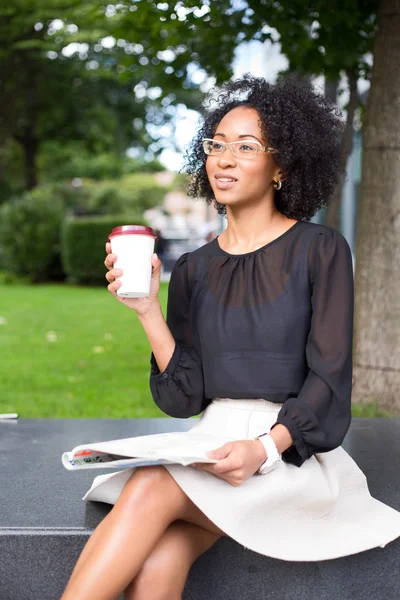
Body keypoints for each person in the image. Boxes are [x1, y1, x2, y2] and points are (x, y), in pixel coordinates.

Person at [61, 74, 400, 600]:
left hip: (289, 455)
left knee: (150, 486)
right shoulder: (194, 268)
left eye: (246, 147)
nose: (223, 158)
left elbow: (329, 381)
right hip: (209, 444)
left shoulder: (321, 249)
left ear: (281, 166)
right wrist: (148, 310)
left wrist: (263, 448)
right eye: (216, 145)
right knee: (156, 565)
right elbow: (184, 397)